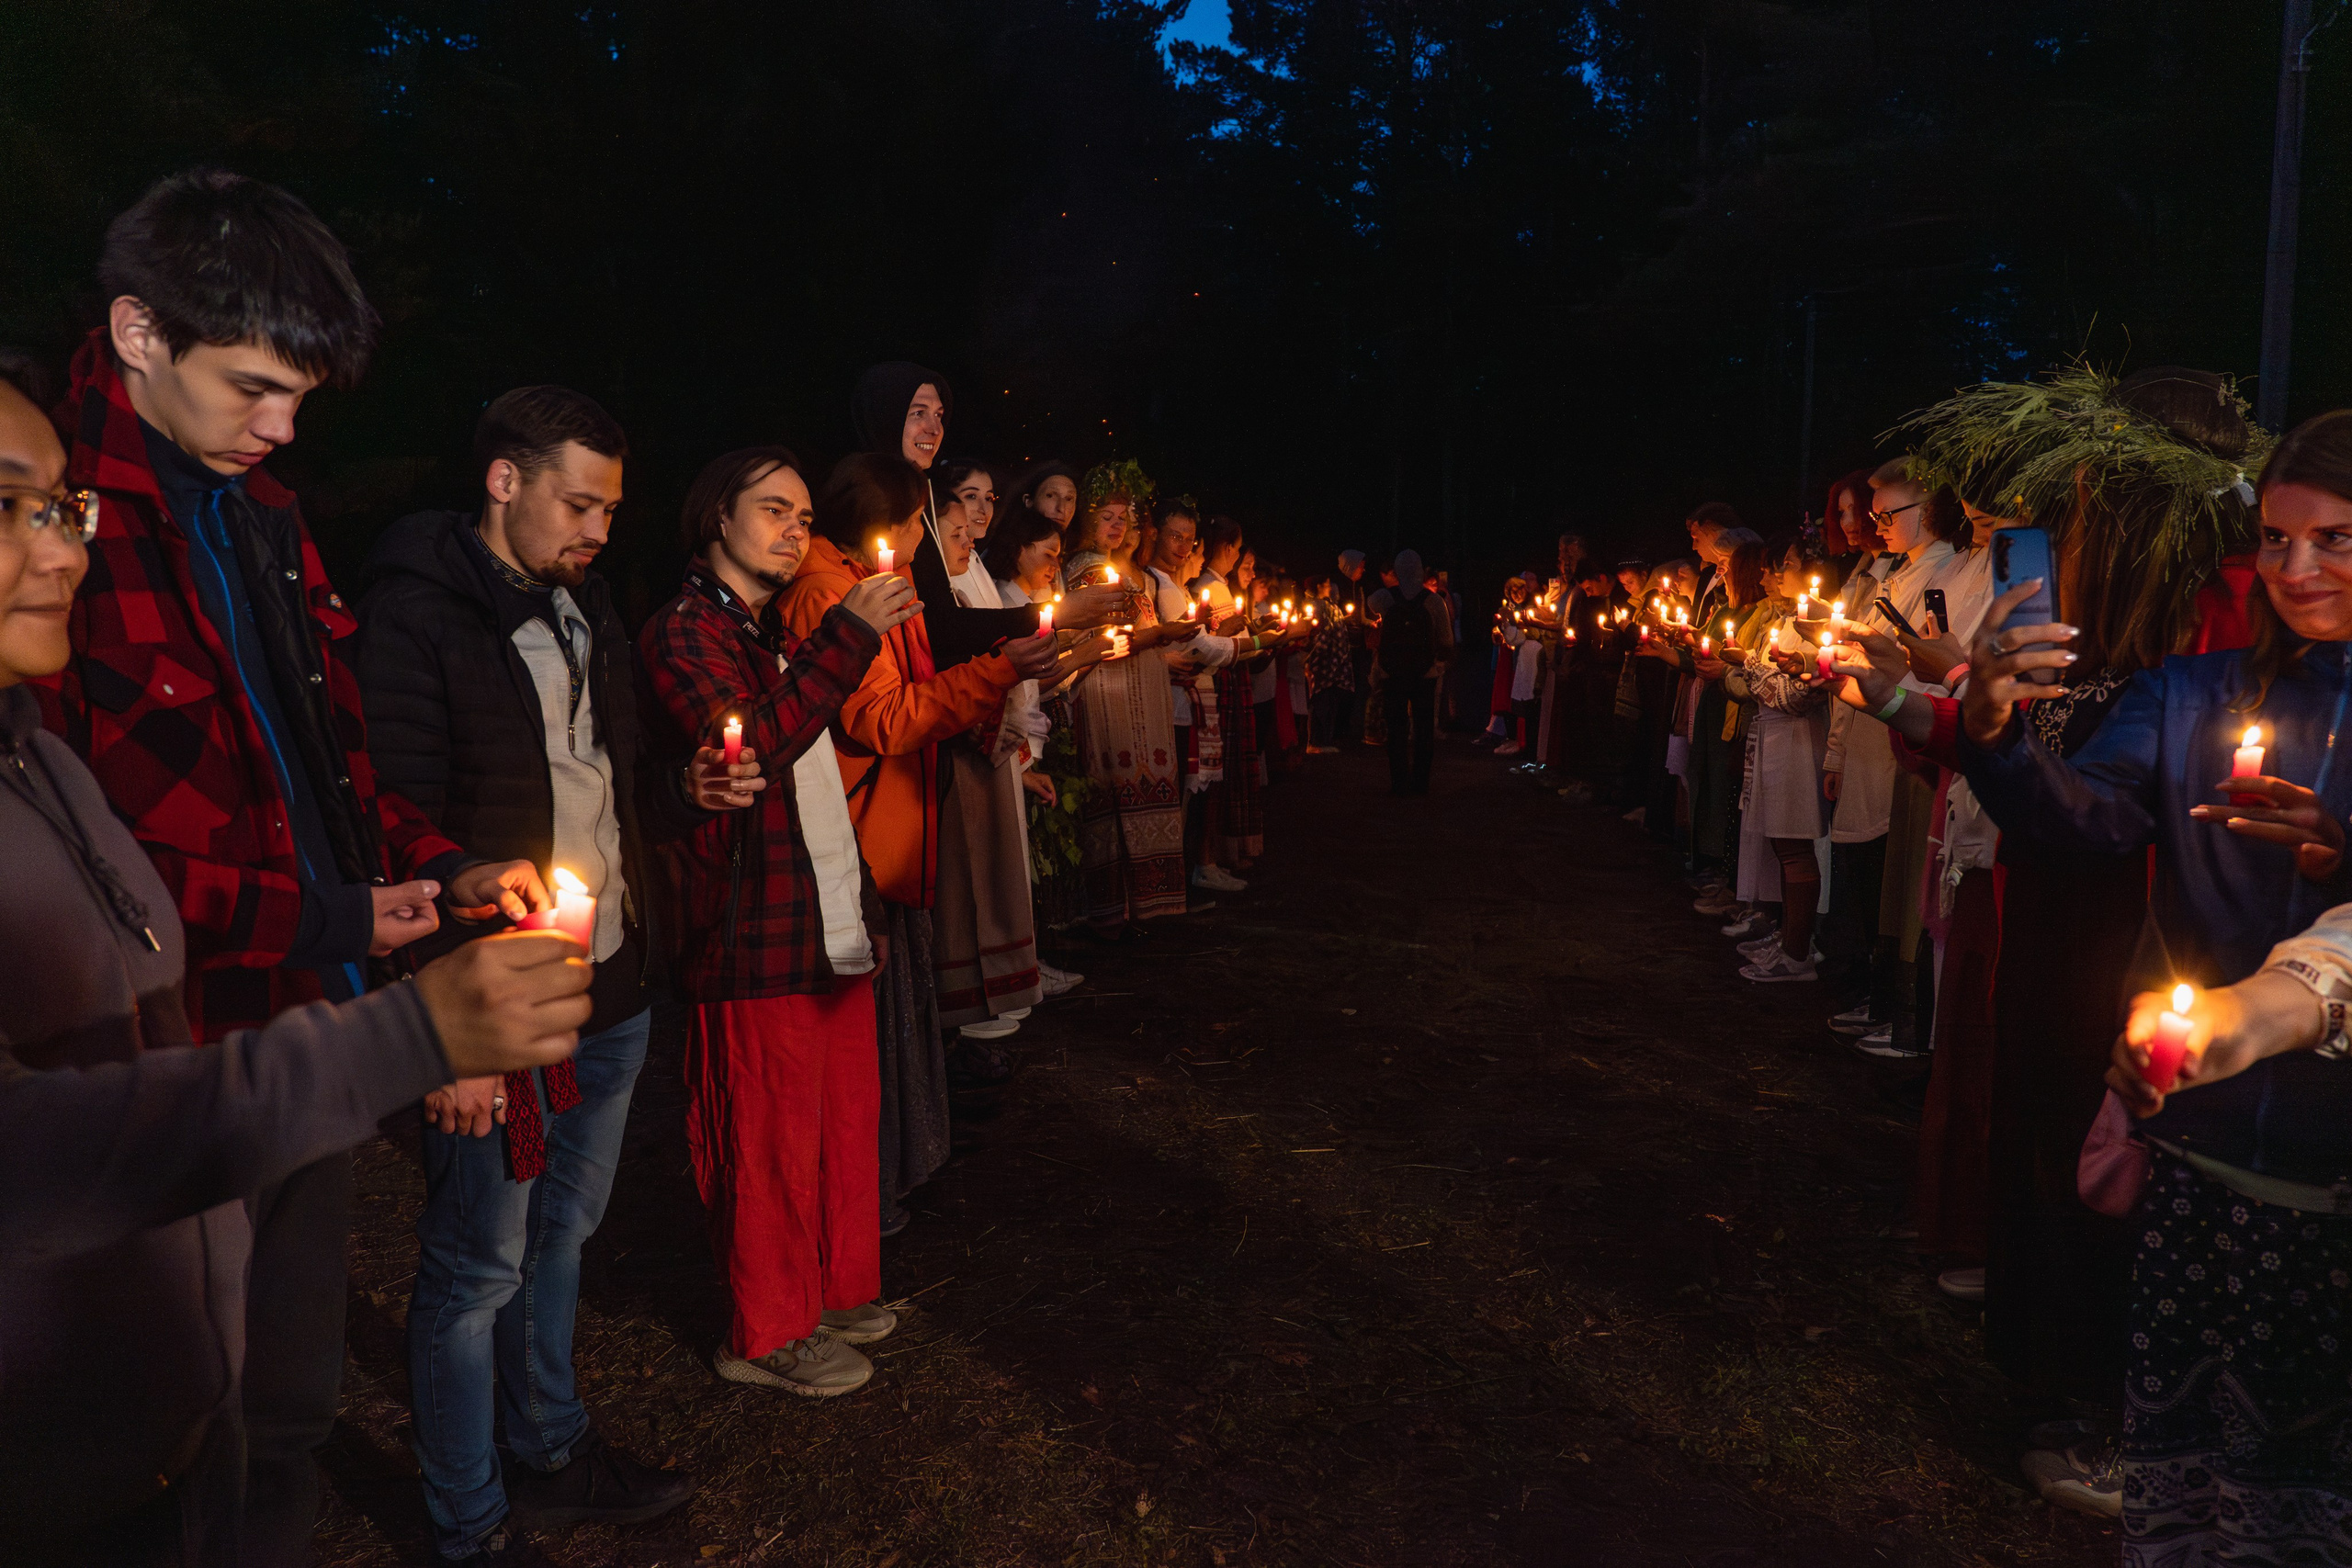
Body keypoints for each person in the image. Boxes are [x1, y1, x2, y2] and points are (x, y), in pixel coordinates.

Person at [34, 169, 548, 1564]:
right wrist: (325, 916)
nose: (281, 428)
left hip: (304, 1030)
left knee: (289, 1406)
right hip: (161, 1065)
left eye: (302, 397)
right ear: (139, 332)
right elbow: (76, 863)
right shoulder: (54, 527)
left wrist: (439, 867)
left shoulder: (261, 512)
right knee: (168, 1433)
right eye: (254, 387)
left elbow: (326, 767)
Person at [356, 388, 748, 1562]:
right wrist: (451, 1027)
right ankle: (468, 1521)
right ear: (504, 480)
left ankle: (552, 1450)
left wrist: (683, 794)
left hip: (608, 985)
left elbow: (605, 782)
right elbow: (392, 821)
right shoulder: (415, 617)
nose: (598, 530)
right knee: (477, 1263)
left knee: (560, 1236)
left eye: (611, 510)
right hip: (499, 999)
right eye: (578, 504)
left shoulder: (585, 606)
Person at [1958, 407, 2352, 1558]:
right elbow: (2076, 819)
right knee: (2185, 1454)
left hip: (2331, 1170)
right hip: (2195, 1133)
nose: (2294, 569)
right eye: (2275, 538)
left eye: (2334, 539)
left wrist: (2339, 850)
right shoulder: (2189, 692)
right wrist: (1990, 727)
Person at [639, 445, 922, 1397]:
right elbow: (751, 750)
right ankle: (765, 1330)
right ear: (716, 516)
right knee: (764, 1137)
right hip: (748, 928)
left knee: (836, 1125)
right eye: (772, 509)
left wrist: (860, 900)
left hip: (818, 915)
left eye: (804, 517)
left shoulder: (761, 634)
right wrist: (847, 637)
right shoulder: (683, 631)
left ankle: (827, 1290)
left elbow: (815, 773)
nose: (795, 530)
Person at [779, 453, 1058, 1231]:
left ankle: (889, 1184)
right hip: (866, 838)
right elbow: (885, 717)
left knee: (897, 1024)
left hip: (894, 833)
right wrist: (996, 672)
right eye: (916, 523)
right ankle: (860, 1202)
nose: (921, 539)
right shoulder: (827, 595)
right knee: (866, 1034)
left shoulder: (871, 583)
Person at [1062, 463, 1196, 933]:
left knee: (1142, 785)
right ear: (1088, 518)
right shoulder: (1084, 567)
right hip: (1111, 696)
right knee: (1115, 790)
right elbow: (1104, 638)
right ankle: (1112, 910)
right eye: (1107, 517)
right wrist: (1160, 635)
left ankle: (1142, 904)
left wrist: (1161, 644)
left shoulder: (1120, 568)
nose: (1117, 526)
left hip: (1141, 693)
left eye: (1124, 518)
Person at [1368, 548, 1453, 795]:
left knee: (1396, 729)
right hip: (1425, 673)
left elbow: (1370, 602)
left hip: (1392, 672)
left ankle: (1399, 782)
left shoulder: (1385, 598)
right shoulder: (1433, 601)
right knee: (1424, 728)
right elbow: (1446, 640)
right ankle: (1420, 783)